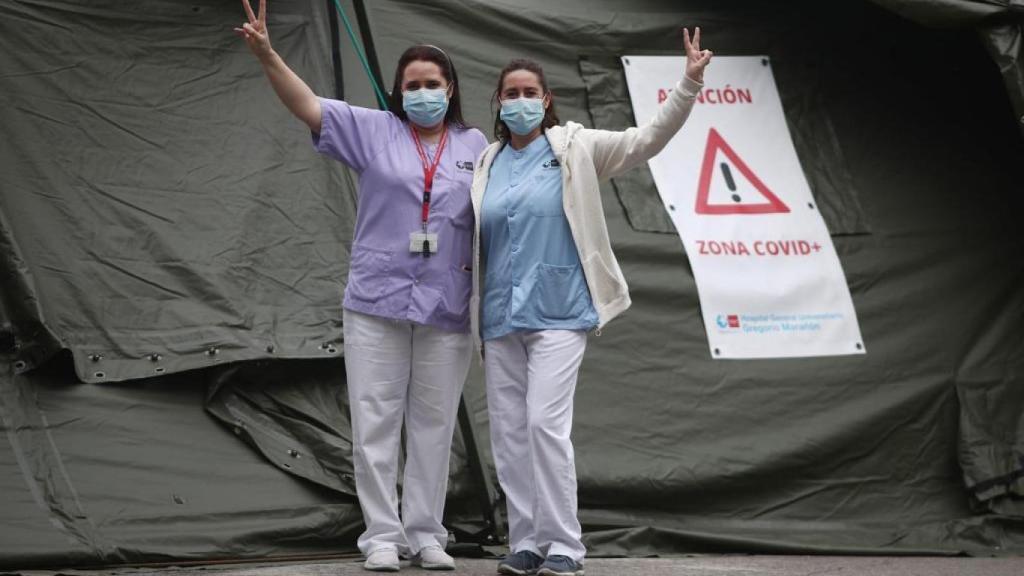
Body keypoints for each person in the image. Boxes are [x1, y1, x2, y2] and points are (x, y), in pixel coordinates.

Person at [235, 0, 487, 571]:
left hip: (447, 306)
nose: (424, 92)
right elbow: (306, 104)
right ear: (398, 92)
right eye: (413, 84)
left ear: (451, 88)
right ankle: (381, 536)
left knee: (432, 422)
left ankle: (426, 534)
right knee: (375, 417)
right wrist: (269, 55)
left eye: (434, 83)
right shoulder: (373, 130)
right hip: (377, 301)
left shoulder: (477, 148)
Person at [469, 28, 712, 576]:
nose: (521, 101)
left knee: (543, 426)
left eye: (531, 92)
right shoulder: (486, 161)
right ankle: (525, 542)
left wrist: (689, 82)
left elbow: (648, 139)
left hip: (560, 311)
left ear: (547, 99)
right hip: (499, 317)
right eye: (511, 93)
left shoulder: (576, 147)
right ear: (499, 102)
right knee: (509, 435)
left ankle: (563, 546)